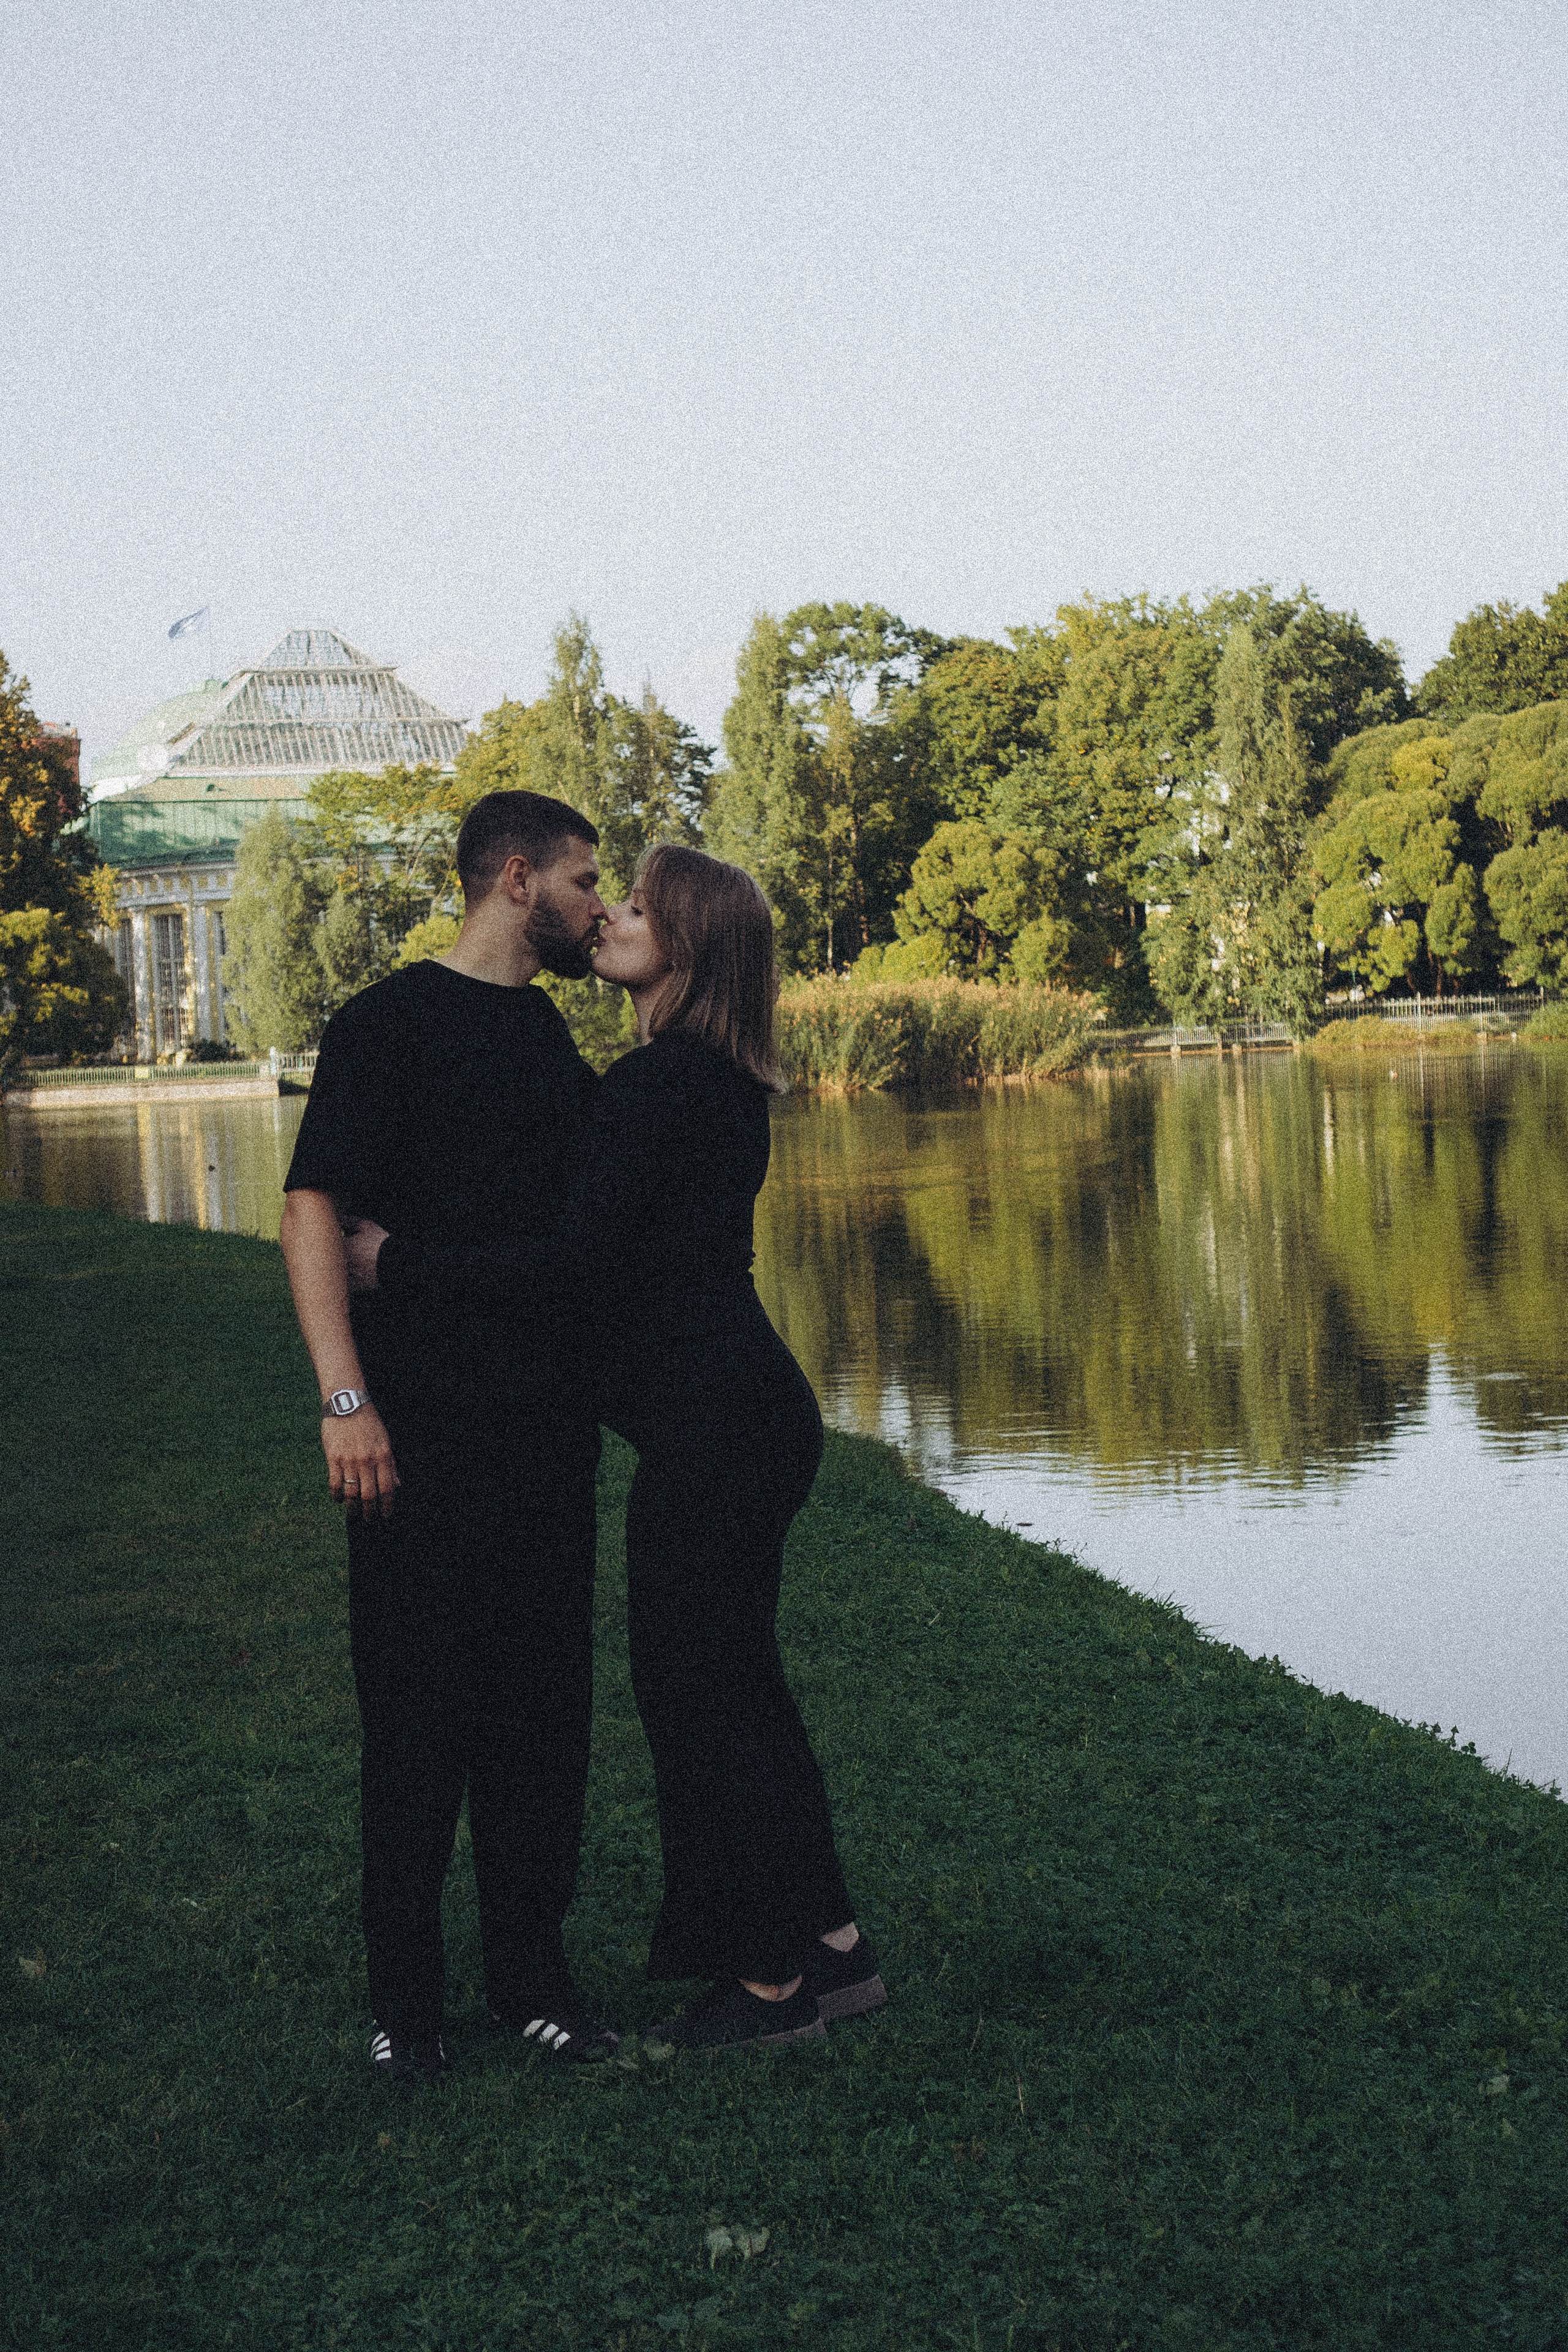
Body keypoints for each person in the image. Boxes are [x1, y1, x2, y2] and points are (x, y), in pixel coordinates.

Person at [349, 845, 886, 2052]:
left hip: (713, 1438)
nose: (609, 919)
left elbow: (563, 1269)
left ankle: (765, 1987)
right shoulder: (700, 1078)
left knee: (698, 1700)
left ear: (683, 949)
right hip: (743, 1423)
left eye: (634, 908)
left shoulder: (660, 1090)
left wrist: (395, 1264)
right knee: (740, 1689)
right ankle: (835, 1953)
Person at [278, 789, 619, 2085]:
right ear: (516, 879)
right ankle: (405, 2011)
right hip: (411, 1441)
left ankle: (533, 1982)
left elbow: (577, 1248)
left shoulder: (546, 1040)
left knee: (541, 1721)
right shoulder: (384, 1025)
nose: (598, 901)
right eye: (585, 879)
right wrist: (344, 1396)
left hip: (543, 1441)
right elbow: (316, 1212)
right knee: (415, 1722)